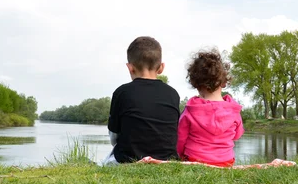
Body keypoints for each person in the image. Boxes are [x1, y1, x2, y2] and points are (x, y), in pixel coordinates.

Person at [103, 36, 180, 165]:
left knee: (107, 161)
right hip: (165, 159)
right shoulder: (173, 94)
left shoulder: (122, 92)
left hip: (128, 159)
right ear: (161, 68)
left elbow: (114, 136)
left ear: (130, 67)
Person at [177, 49, 244, 167]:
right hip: (226, 161)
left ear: (196, 84)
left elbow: (180, 139)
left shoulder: (191, 110)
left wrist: (181, 155)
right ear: (224, 83)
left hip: (194, 160)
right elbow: (237, 135)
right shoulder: (233, 111)